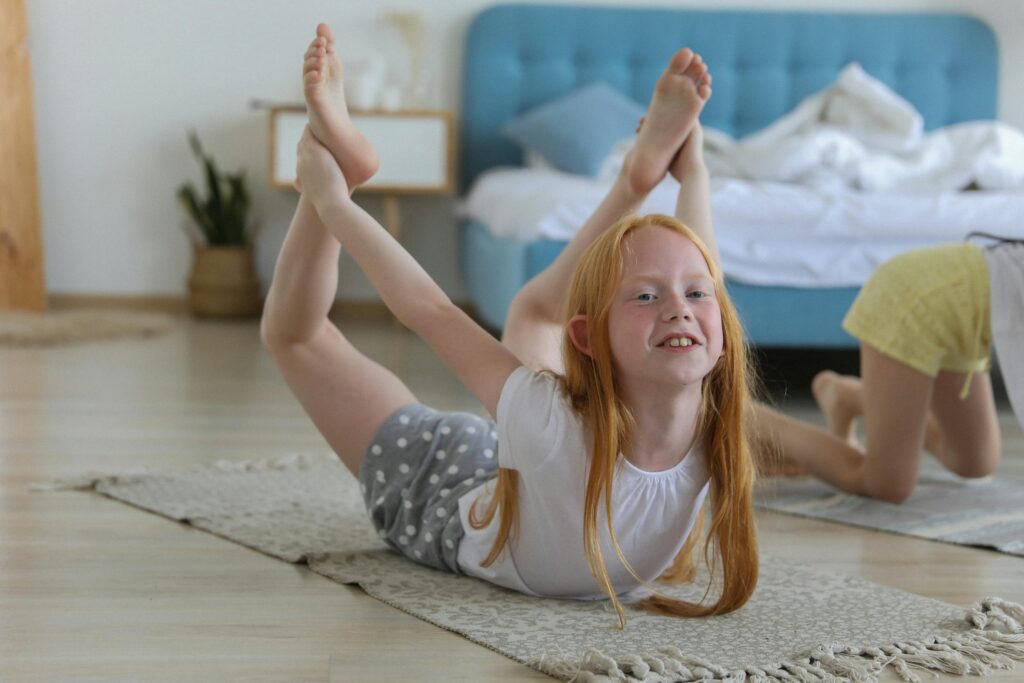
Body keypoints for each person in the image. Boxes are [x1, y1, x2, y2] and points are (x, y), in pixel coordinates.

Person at [261, 23, 758, 627]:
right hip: (437, 483)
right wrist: (334, 204)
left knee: (534, 314)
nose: (679, 309)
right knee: (295, 337)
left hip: (527, 466)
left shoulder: (717, 423)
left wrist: (695, 176)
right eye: (647, 297)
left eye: (693, 297)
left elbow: (705, 280)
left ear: (722, 332)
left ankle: (635, 181)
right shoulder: (553, 422)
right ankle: (333, 174)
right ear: (591, 340)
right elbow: (431, 310)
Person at [754, 236, 1024, 503]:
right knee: (886, 484)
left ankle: (848, 397)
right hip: (913, 298)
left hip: (961, 319)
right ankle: (751, 417)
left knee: (974, 462)